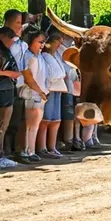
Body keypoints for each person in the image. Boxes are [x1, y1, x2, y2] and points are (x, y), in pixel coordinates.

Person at [0, 26, 21, 167]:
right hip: (0, 90)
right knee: (0, 125)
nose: (12, 42)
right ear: (3, 36)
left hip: (8, 89)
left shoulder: (4, 49)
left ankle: (0, 153)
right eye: (10, 39)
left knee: (4, 125)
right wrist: (10, 74)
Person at [18, 25, 49, 163]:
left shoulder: (40, 56)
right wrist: (40, 92)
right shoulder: (28, 57)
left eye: (43, 42)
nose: (42, 45)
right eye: (39, 42)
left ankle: (32, 150)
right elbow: (29, 78)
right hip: (31, 94)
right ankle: (26, 151)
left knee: (35, 124)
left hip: (40, 94)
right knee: (30, 124)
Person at [2, 9, 29, 158]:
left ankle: (16, 150)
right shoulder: (3, 42)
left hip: (19, 86)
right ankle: (3, 151)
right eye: (17, 22)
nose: (20, 26)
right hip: (5, 85)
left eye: (21, 23)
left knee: (17, 120)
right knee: (4, 121)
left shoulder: (22, 44)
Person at [38, 29, 68, 159]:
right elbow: (53, 74)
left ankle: (52, 146)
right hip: (49, 89)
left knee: (56, 120)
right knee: (46, 119)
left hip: (58, 90)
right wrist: (60, 76)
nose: (59, 45)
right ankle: (42, 147)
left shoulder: (55, 56)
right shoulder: (44, 56)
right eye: (57, 42)